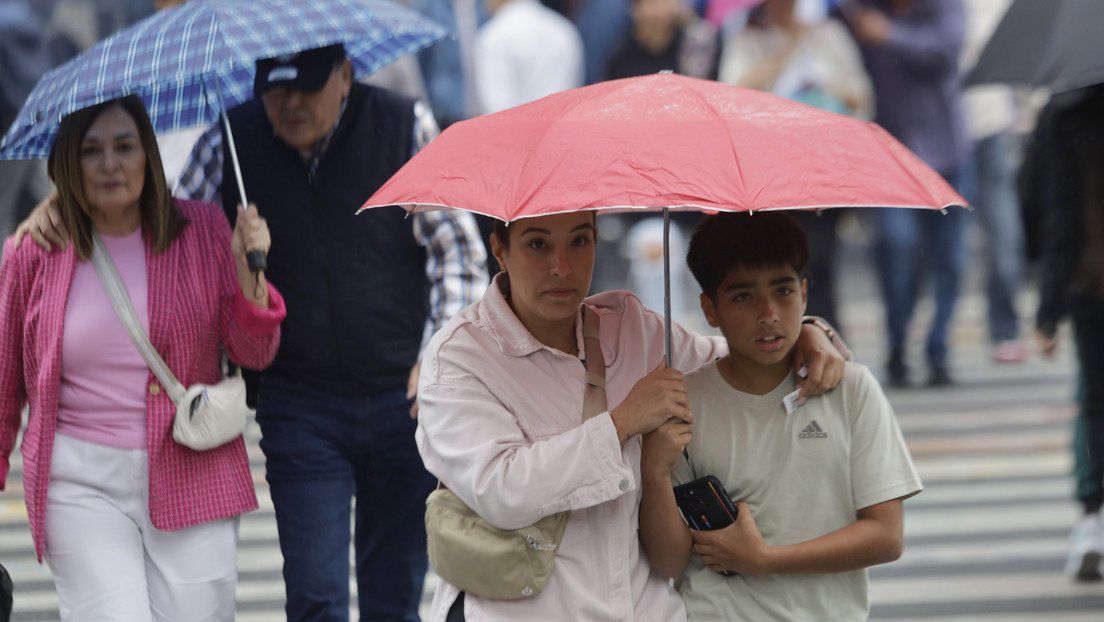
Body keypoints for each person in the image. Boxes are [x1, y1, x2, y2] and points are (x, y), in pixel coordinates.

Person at [17, 44, 489, 622]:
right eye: (274, 90)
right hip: (299, 403)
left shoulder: (400, 123)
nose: (288, 104)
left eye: (306, 89)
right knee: (316, 595)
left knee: (393, 596)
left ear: (345, 77)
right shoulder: (233, 137)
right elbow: (164, 219)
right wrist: (63, 203)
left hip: (403, 397)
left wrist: (438, 357)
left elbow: (458, 253)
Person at [415, 210, 851, 621]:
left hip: (644, 608)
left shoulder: (631, 328)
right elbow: (502, 492)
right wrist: (622, 422)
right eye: (537, 245)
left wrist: (808, 334)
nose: (561, 266)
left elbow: (738, 364)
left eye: (579, 241)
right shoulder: (459, 357)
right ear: (499, 249)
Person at [0, 94, 285, 620]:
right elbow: (2, 389)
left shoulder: (203, 230)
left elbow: (254, 352)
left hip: (191, 468)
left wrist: (252, 280)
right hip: (78, 483)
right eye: (91, 150)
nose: (110, 163)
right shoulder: (34, 251)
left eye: (124, 146)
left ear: (147, 156)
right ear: (69, 161)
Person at [638, 211, 921, 620]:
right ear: (709, 309)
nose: (768, 312)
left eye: (783, 291)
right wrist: (654, 471)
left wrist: (767, 559)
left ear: (805, 293)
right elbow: (669, 562)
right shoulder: (683, 403)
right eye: (742, 296)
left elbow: (886, 536)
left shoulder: (852, 389)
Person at [718, 0, 873, 333]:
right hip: (770, 173)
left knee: (819, 262)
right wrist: (786, 51)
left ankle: (828, 344)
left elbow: (861, 97)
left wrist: (827, 90)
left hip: (824, 167)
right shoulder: (746, 38)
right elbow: (732, 94)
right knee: (777, 265)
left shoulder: (829, 34)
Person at [840, 0, 972, 387]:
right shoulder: (857, 13)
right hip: (888, 158)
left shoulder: (942, 9)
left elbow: (945, 51)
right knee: (895, 250)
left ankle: (939, 349)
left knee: (950, 260)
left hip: (947, 152)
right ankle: (897, 344)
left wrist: (890, 34)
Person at [1021, 85, 1104, 581]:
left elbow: (1047, 207)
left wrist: (1047, 308)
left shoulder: (1066, 109)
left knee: (1095, 400)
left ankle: (1094, 516)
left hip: (1090, 279)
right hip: (1088, 278)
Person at [474, 0, 584, 114]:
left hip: (515, 128)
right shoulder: (563, 30)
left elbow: (496, 108)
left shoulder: (494, 36)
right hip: (561, 126)